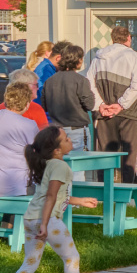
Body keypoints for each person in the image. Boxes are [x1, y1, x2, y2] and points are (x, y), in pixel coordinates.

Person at [0, 126, 104, 273]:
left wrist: (79, 201)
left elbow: (57, 195)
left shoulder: (51, 164)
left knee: (30, 263)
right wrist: (45, 224)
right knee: (72, 258)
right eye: (65, 139)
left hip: (30, 219)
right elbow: (51, 197)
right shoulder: (61, 166)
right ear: (56, 149)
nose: (70, 140)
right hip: (47, 221)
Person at [88, 24, 137, 183]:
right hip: (130, 112)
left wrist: (101, 105)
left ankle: (103, 190)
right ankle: (128, 190)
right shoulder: (135, 57)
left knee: (105, 152)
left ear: (113, 39)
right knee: (130, 152)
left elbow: (90, 84)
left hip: (104, 113)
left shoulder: (98, 58)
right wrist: (121, 105)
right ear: (129, 38)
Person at [0, 82, 40, 199]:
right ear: (27, 104)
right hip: (15, 186)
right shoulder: (28, 125)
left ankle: (3, 217)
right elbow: (39, 151)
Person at [41, 48, 96, 177]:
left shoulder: (50, 81)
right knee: (77, 169)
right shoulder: (80, 80)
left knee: (57, 168)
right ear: (78, 61)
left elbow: (45, 106)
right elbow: (90, 105)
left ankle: (62, 196)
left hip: (55, 130)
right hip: (76, 129)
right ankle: (75, 196)